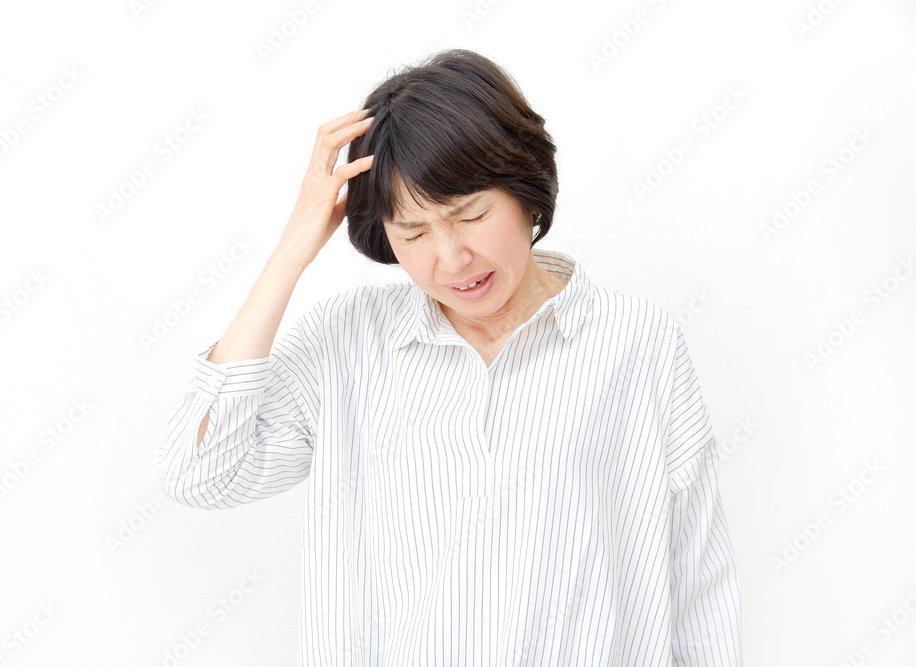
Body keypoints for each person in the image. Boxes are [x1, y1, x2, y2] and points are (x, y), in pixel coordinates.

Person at [157, 48, 742, 666]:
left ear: (526, 193)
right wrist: (291, 252)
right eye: (413, 232)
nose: (451, 259)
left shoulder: (638, 342)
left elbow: (697, 585)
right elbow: (201, 473)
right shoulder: (348, 341)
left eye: (471, 215)